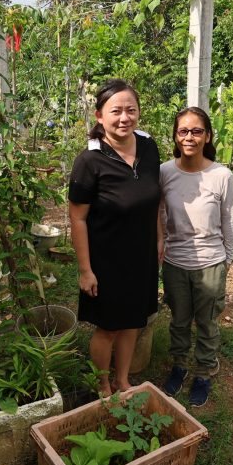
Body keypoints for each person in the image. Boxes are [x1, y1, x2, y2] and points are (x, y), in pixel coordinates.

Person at [68, 79, 163, 396]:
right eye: (116, 111)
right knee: (108, 327)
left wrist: (160, 239)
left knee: (134, 321)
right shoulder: (90, 161)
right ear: (99, 116)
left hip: (143, 254)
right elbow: (77, 218)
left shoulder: (148, 148)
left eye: (131, 110)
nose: (125, 118)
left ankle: (123, 380)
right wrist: (85, 269)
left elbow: (155, 200)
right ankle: (103, 383)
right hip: (106, 260)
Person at [159, 107, 233, 407]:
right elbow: (160, 214)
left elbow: (229, 220)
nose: (189, 137)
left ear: (207, 136)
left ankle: (203, 372)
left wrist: (226, 260)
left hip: (210, 264)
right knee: (179, 321)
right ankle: (179, 366)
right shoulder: (165, 171)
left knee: (207, 323)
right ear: (176, 137)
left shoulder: (221, 175)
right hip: (175, 262)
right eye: (183, 131)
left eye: (196, 131)